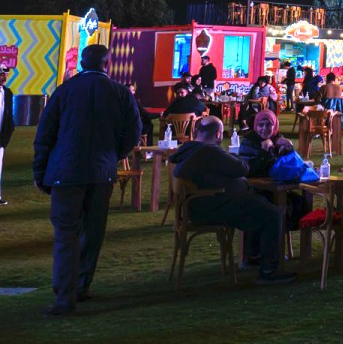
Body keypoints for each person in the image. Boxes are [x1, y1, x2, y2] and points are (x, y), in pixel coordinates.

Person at [32, 44, 141, 315]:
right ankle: (81, 285)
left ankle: (64, 295)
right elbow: (133, 133)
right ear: (108, 63)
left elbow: (44, 135)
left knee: (66, 234)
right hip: (101, 172)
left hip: (66, 173)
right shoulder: (120, 93)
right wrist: (113, 154)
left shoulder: (64, 91)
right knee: (93, 232)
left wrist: (40, 172)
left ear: (82, 62)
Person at [169, 116, 295, 285]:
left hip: (196, 207)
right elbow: (242, 168)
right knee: (272, 214)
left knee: (258, 204)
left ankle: (254, 257)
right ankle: (268, 271)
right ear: (218, 133)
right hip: (211, 208)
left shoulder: (187, 150)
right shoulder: (209, 151)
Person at [0, 65, 14, 205]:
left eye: (6, 75)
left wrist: (6, 137)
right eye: (1, 75)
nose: (4, 77)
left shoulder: (8, 92)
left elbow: (9, 117)